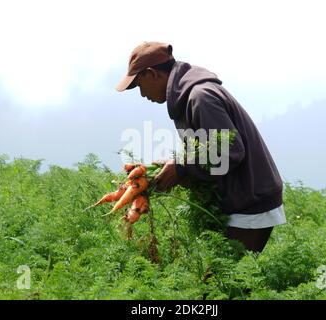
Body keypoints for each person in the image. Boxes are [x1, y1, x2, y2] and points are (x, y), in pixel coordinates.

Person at [116, 41, 286, 253]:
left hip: (250, 204)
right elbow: (206, 148)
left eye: (139, 85)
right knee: (222, 281)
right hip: (240, 200)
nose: (142, 94)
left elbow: (229, 151)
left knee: (223, 283)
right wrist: (173, 165)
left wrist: (181, 168)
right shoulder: (188, 98)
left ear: (152, 74)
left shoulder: (200, 97)